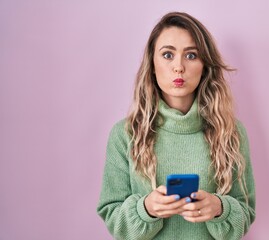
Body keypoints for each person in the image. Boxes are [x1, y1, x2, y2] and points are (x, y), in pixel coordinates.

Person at [97, 12, 256, 240]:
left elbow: (245, 212)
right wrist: (147, 209)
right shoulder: (125, 134)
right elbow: (112, 216)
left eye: (191, 55)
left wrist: (219, 208)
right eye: (168, 55)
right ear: (152, 64)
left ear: (204, 67)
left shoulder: (231, 133)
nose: (178, 67)